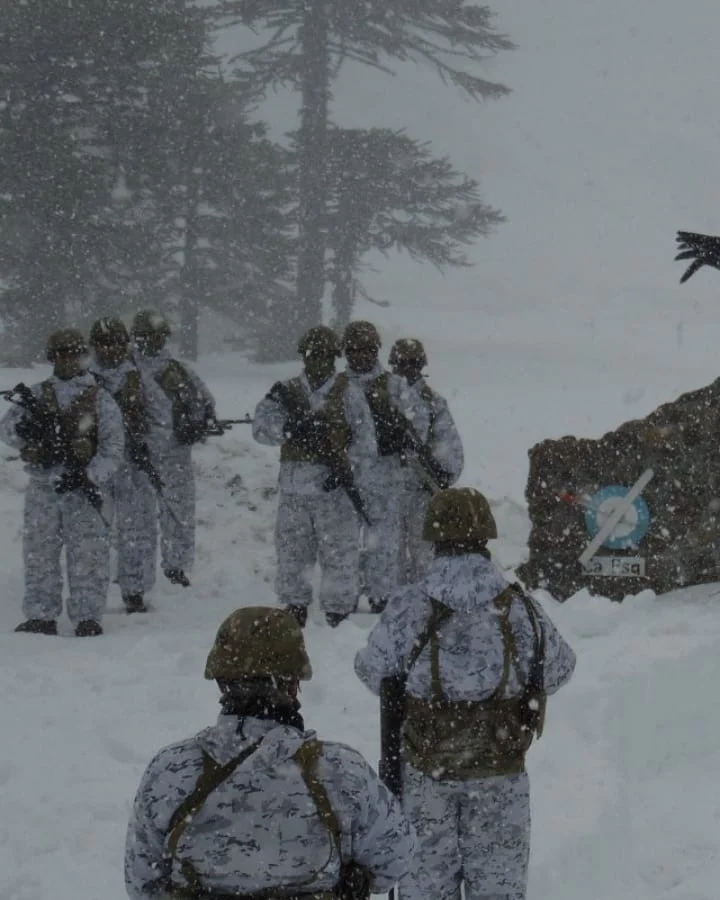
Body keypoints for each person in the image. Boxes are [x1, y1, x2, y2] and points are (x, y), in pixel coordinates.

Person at [355, 487, 576, 900]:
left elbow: (373, 673)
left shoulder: (409, 606)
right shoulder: (520, 608)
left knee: (425, 890)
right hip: (500, 777)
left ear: (433, 537)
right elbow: (561, 668)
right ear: (485, 537)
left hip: (425, 778)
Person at [124, 606, 416, 900]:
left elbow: (142, 884)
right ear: (292, 683)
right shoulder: (342, 772)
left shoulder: (170, 772)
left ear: (222, 682)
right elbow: (395, 861)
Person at [0, 329, 125, 636]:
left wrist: (87, 475)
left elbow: (113, 450)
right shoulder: (37, 394)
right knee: (39, 553)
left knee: (88, 556)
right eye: (62, 353)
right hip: (43, 487)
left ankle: (88, 617)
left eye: (74, 353)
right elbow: (6, 432)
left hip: (82, 490)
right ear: (52, 357)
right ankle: (41, 615)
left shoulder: (100, 399)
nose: (69, 359)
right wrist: (26, 429)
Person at [252, 326, 363, 628]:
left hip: (334, 491)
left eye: (326, 355)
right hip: (294, 489)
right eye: (313, 355)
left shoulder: (349, 394)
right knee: (292, 552)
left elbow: (366, 442)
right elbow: (261, 428)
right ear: (303, 356)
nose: (319, 361)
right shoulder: (286, 392)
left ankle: (338, 610)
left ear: (334, 357)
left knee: (339, 552)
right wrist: (290, 429)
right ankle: (294, 606)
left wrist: (346, 471)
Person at [340, 321, 426, 613]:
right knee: (343, 541)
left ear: (376, 351)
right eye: (353, 350)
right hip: (345, 474)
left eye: (366, 349)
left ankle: (381, 596)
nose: (360, 356)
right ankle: (343, 598)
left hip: (386, 474)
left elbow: (419, 424)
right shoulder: (337, 387)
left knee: (384, 542)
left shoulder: (395, 386)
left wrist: (398, 435)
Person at [131, 309, 216, 588]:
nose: (154, 342)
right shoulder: (126, 369)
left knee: (179, 514)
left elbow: (204, 402)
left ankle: (176, 568)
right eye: (148, 336)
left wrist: (197, 424)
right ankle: (134, 577)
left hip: (174, 453)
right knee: (136, 520)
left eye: (159, 336)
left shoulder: (177, 369)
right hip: (135, 455)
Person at [89, 317, 157, 613]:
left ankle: (134, 590)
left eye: (116, 342)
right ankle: (91, 592)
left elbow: (158, 419)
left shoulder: (140, 376)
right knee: (92, 531)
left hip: (132, 464)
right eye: (104, 343)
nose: (110, 349)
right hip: (96, 464)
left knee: (135, 531)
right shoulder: (85, 378)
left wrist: (147, 446)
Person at [388, 338, 464, 583]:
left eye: (413, 363)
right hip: (386, 490)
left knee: (425, 559)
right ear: (393, 364)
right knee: (388, 558)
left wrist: (436, 468)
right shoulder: (379, 398)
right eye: (402, 363)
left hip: (421, 491)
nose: (407, 368)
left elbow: (450, 453)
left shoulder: (433, 402)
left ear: (421, 365)